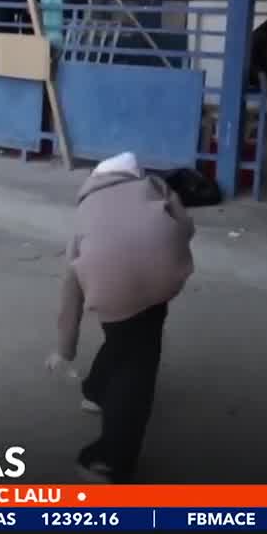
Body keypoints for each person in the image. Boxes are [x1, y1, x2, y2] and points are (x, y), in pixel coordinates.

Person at [46, 152, 195, 484]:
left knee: (125, 335)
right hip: (161, 277)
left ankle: (97, 394)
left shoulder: (85, 210)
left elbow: (71, 285)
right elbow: (186, 226)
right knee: (138, 367)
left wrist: (64, 349)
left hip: (110, 288)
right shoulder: (153, 186)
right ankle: (111, 460)